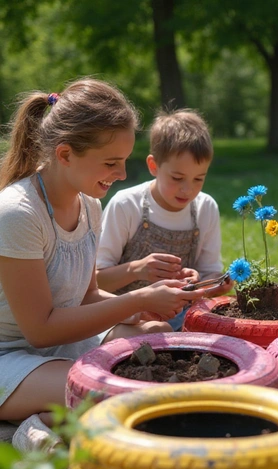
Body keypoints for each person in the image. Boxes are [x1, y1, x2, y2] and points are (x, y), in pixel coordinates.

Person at [0, 79, 206, 448]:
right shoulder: (17, 213)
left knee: (158, 341)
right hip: (10, 358)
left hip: (59, 347)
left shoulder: (90, 205)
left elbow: (86, 295)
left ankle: (47, 421)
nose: (124, 175)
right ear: (65, 155)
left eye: (124, 161)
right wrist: (136, 300)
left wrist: (140, 310)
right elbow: (40, 330)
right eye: (111, 163)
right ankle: (27, 428)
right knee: (113, 390)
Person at [96, 109, 233, 330]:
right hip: (127, 318)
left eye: (199, 179)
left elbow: (211, 272)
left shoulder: (205, 208)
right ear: (154, 166)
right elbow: (94, 281)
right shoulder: (127, 205)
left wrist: (205, 283)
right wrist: (138, 269)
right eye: (177, 178)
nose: (187, 189)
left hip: (186, 316)